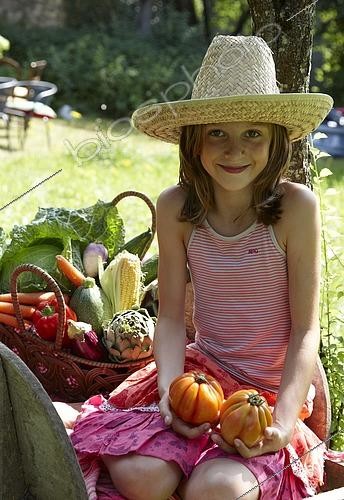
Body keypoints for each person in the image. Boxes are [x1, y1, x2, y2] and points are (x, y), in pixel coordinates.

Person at [64, 35, 334, 499]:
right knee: (143, 479)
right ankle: (162, 451)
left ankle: (206, 471)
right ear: (194, 140)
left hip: (266, 395)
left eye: (252, 133)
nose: (235, 151)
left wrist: (286, 422)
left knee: (218, 489)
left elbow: (306, 331)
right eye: (217, 134)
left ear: (274, 139)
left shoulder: (295, 208)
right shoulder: (176, 208)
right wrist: (170, 394)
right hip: (199, 376)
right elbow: (169, 318)